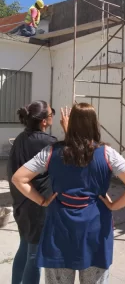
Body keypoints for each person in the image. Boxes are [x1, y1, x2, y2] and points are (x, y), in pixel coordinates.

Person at [12, 102, 125, 284]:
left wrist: (42, 201)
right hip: (96, 229)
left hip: (59, 229)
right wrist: (114, 205)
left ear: (71, 123)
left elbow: (18, 178)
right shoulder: (108, 154)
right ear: (94, 124)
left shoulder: (51, 152)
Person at [7, 100, 68, 284]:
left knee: (25, 248)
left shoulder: (20, 138)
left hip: (21, 204)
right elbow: (72, 158)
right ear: (43, 121)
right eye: (52, 114)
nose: (54, 116)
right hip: (37, 207)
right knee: (35, 256)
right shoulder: (49, 143)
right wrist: (68, 131)